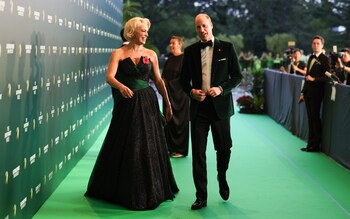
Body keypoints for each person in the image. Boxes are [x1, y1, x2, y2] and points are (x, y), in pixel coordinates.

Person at [85, 17, 179, 210]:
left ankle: (152, 188)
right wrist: (121, 87)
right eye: (142, 31)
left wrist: (168, 104)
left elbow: (159, 81)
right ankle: (124, 189)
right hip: (127, 105)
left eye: (146, 31)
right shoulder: (118, 53)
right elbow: (109, 77)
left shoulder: (151, 54)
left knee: (148, 143)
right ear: (132, 31)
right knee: (130, 143)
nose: (146, 34)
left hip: (147, 103)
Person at [180, 13, 242, 210]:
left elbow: (237, 76)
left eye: (204, 26)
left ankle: (222, 176)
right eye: (198, 27)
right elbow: (183, 81)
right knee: (198, 153)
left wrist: (221, 88)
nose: (202, 30)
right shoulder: (189, 52)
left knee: (224, 149)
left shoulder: (228, 47)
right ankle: (201, 196)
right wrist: (191, 92)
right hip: (199, 109)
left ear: (211, 25)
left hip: (221, 108)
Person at [299, 35, 330, 152]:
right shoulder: (311, 57)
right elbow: (307, 76)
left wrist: (314, 79)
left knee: (315, 118)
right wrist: (302, 92)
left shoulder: (325, 59)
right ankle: (310, 144)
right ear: (312, 45)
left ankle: (316, 145)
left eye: (318, 43)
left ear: (322, 45)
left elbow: (327, 77)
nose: (316, 45)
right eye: (314, 43)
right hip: (308, 92)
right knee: (310, 119)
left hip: (317, 93)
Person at [162, 36, 190, 158]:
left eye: (173, 43)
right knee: (169, 121)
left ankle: (181, 150)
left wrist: (167, 84)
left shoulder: (185, 58)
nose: (171, 45)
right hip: (168, 95)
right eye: (170, 43)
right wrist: (161, 83)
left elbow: (185, 78)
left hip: (180, 96)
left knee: (180, 122)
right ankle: (170, 148)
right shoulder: (169, 59)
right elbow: (163, 76)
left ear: (180, 44)